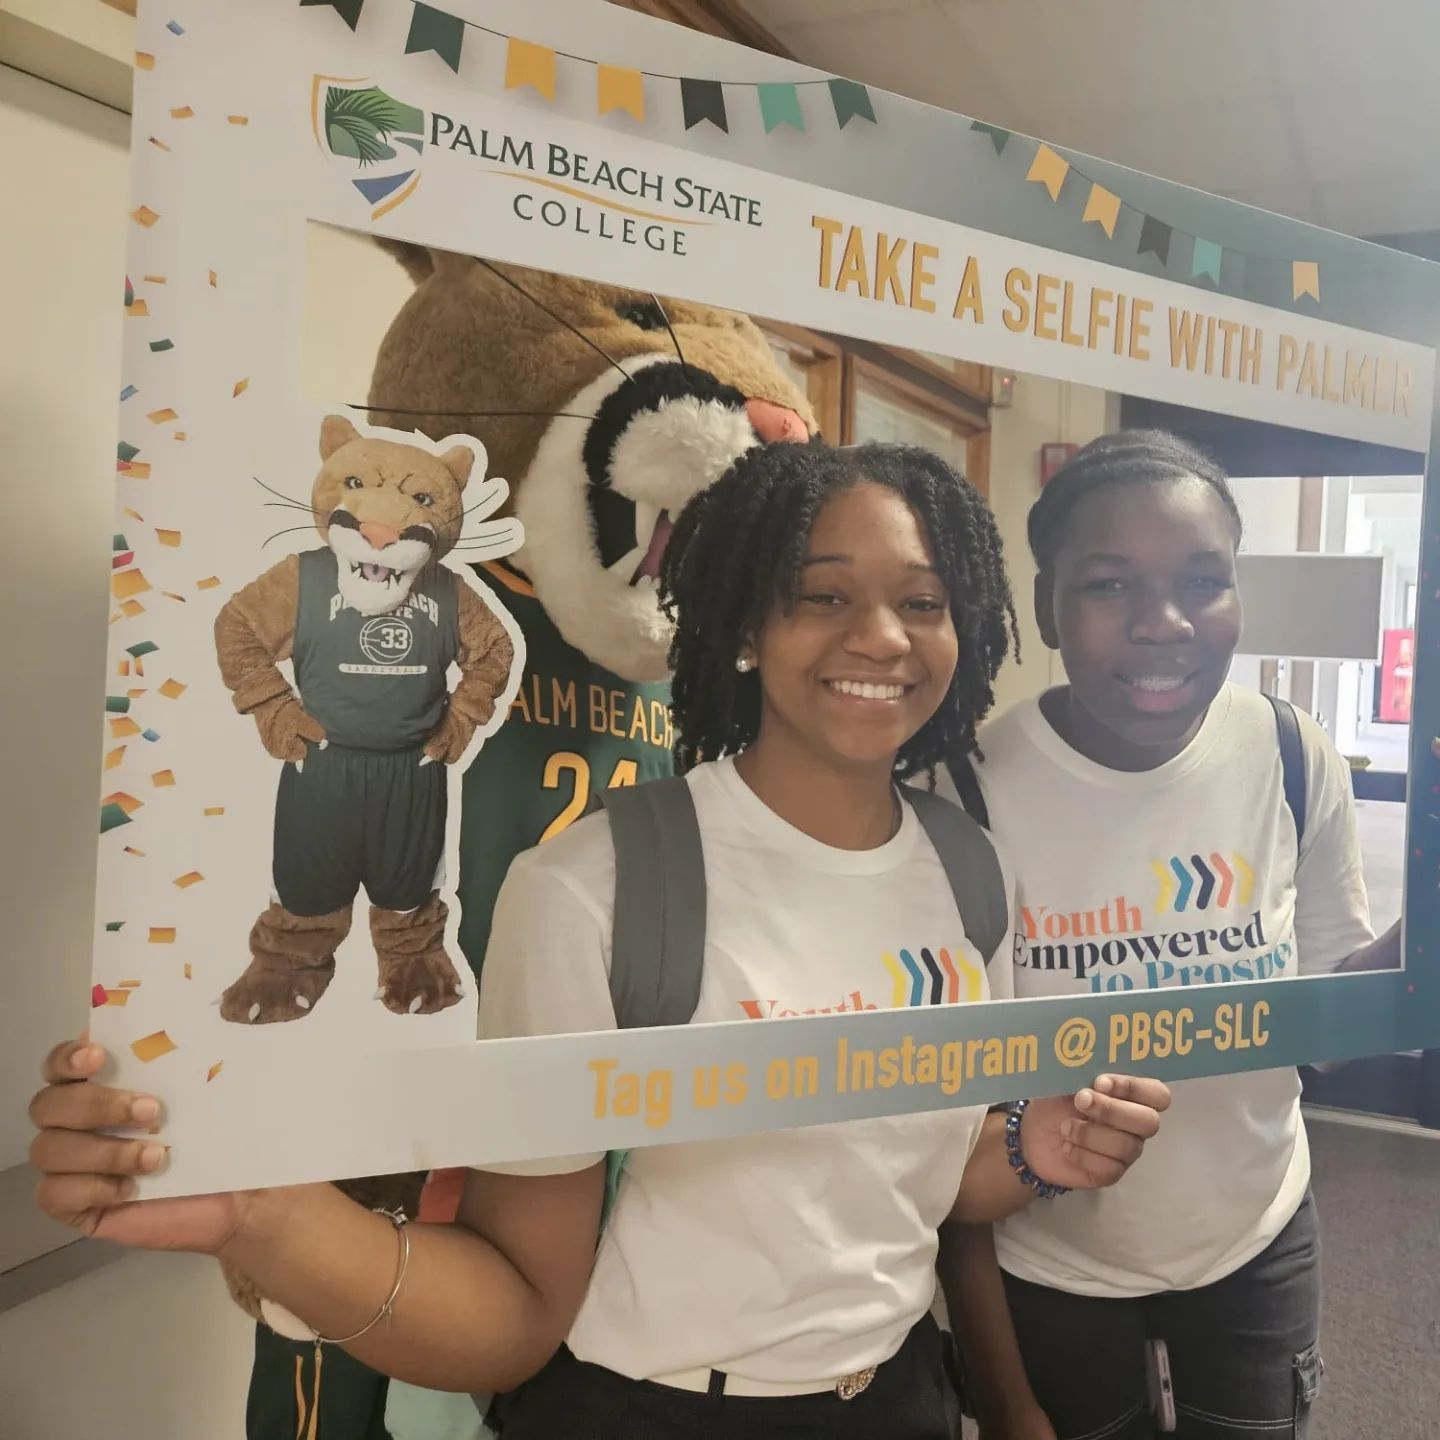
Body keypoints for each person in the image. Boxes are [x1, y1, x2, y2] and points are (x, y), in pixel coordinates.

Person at [30, 441, 1171, 1440]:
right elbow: (517, 1306)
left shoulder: (971, 872)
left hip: (899, 1400)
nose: (881, 636)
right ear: (744, 628)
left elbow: (913, 1173)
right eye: (822, 596)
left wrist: (1034, 1151)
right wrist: (256, 1213)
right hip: (651, 1410)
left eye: (922, 601)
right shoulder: (598, 889)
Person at [936, 430, 1400, 1440]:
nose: (1165, 624)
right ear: (1047, 606)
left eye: (1203, 580)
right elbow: (945, 1123)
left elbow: (1327, 1025)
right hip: (1047, 1266)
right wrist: (1005, 1400)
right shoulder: (967, 792)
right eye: (1109, 585)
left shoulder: (1289, 752)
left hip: (1255, 1238)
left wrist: (1419, 946)